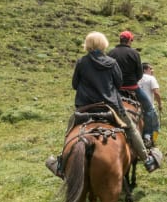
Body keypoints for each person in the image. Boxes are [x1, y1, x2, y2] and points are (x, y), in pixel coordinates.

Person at [46, 31, 159, 177]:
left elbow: (75, 84)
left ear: (87, 45)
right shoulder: (112, 63)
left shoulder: (81, 62)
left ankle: (62, 163)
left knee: (71, 128)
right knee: (131, 128)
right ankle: (146, 159)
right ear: (103, 44)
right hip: (110, 106)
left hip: (86, 107)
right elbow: (118, 84)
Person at [107, 31, 160, 143]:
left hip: (116, 89)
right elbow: (139, 73)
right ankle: (147, 135)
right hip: (132, 87)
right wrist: (133, 81)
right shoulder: (134, 53)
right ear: (130, 40)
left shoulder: (110, 53)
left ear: (120, 40)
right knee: (149, 109)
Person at [138, 62, 162, 147]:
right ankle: (153, 142)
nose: (152, 70)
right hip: (149, 107)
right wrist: (160, 104)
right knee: (155, 128)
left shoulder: (136, 79)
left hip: (137, 108)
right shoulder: (151, 78)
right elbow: (156, 93)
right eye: (150, 68)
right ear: (144, 70)